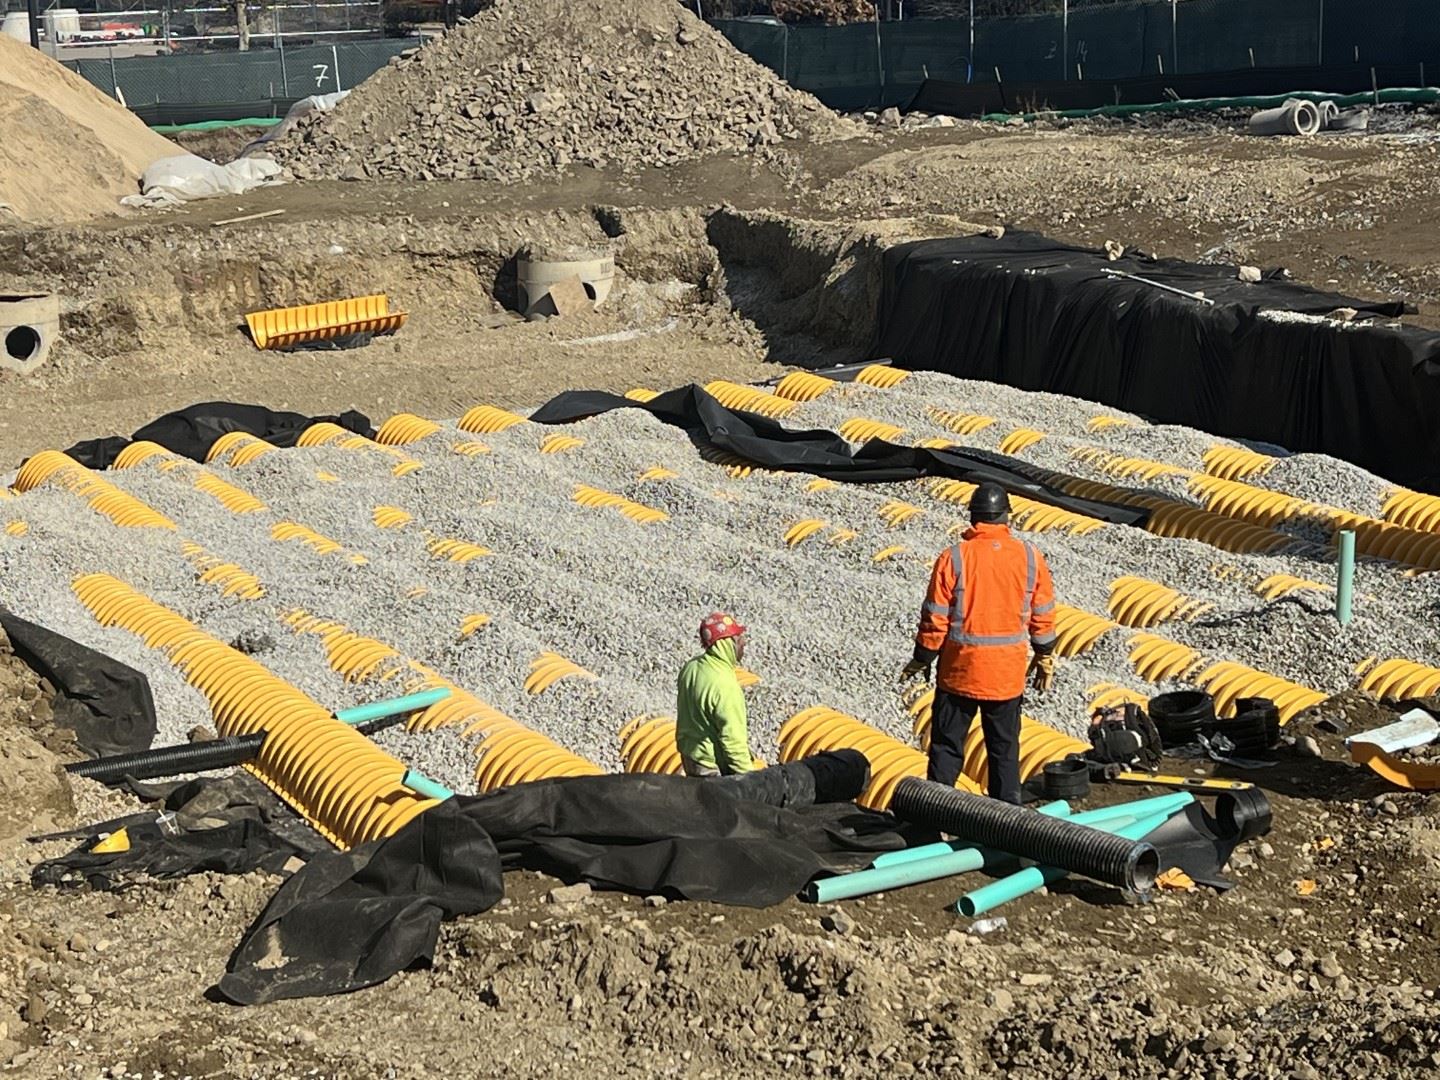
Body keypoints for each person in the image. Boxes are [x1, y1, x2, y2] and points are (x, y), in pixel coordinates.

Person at [901, 482, 1058, 804]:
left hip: (959, 673)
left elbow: (935, 616)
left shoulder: (954, 558)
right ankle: (1006, 821)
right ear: (1006, 518)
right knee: (1004, 750)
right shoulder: (1030, 557)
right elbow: (1043, 611)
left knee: (947, 748)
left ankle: (937, 815)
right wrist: (1044, 653)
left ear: (973, 518)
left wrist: (923, 656)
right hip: (1006, 677)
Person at [675, 612, 758, 777]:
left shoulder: (691, 668)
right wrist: (752, 781)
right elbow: (733, 743)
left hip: (690, 757)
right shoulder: (725, 686)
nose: (744, 642)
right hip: (711, 766)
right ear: (726, 643)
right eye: (738, 637)